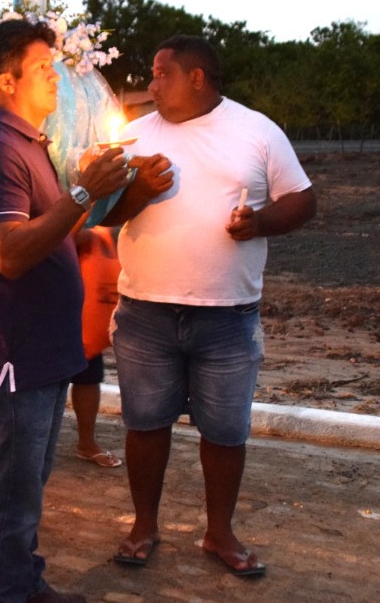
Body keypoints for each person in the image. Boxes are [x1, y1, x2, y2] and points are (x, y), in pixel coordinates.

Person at [102, 35, 317, 574]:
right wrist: (139, 193)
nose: (150, 85)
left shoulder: (257, 130)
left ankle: (219, 534)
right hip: (145, 312)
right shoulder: (133, 136)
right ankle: (143, 525)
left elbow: (303, 200)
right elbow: (102, 214)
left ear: (196, 78)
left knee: (225, 431)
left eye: (160, 73)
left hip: (227, 315)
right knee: (145, 424)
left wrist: (262, 222)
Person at [0, 19, 128, 603]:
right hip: (15, 357)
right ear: (7, 81)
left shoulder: (30, 145)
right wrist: (82, 194)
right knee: (12, 499)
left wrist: (96, 193)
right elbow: (9, 252)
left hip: (43, 353)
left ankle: (24, 582)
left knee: (29, 490)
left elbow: (53, 235)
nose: (56, 75)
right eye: (42, 68)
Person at [70, 225, 122, 468]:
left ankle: (86, 443)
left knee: (88, 375)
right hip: (56, 303)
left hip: (86, 315)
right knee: (45, 381)